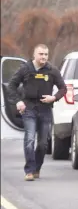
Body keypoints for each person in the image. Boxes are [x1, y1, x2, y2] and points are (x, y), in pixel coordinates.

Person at [8, 44, 67, 181]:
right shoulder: (25, 69)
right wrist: (18, 101)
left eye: (46, 54)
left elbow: (63, 88)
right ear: (34, 55)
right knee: (29, 139)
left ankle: (36, 168)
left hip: (45, 109)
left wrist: (54, 97)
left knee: (43, 143)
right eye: (41, 54)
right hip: (28, 108)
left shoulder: (52, 70)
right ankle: (29, 170)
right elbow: (12, 85)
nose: (44, 57)